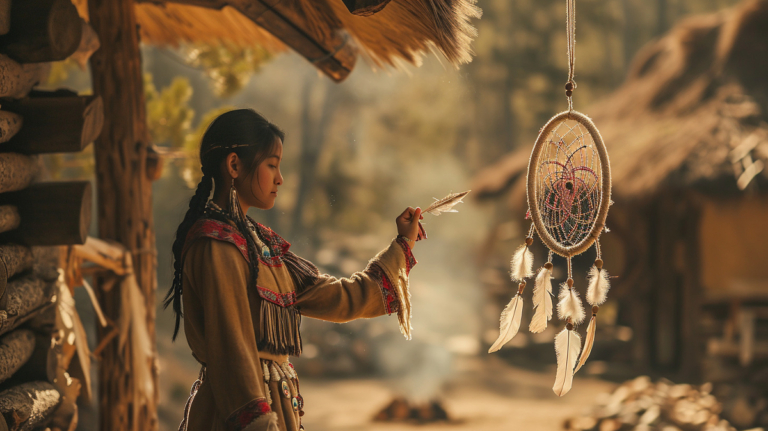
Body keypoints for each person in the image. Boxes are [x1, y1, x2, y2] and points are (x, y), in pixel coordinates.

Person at [166, 109, 421, 431]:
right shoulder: (216, 245)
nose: (280, 178)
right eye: (271, 165)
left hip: (275, 408)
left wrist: (402, 245)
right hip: (241, 416)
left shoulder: (262, 246)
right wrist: (258, 421)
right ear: (234, 165)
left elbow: (338, 298)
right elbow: (231, 349)